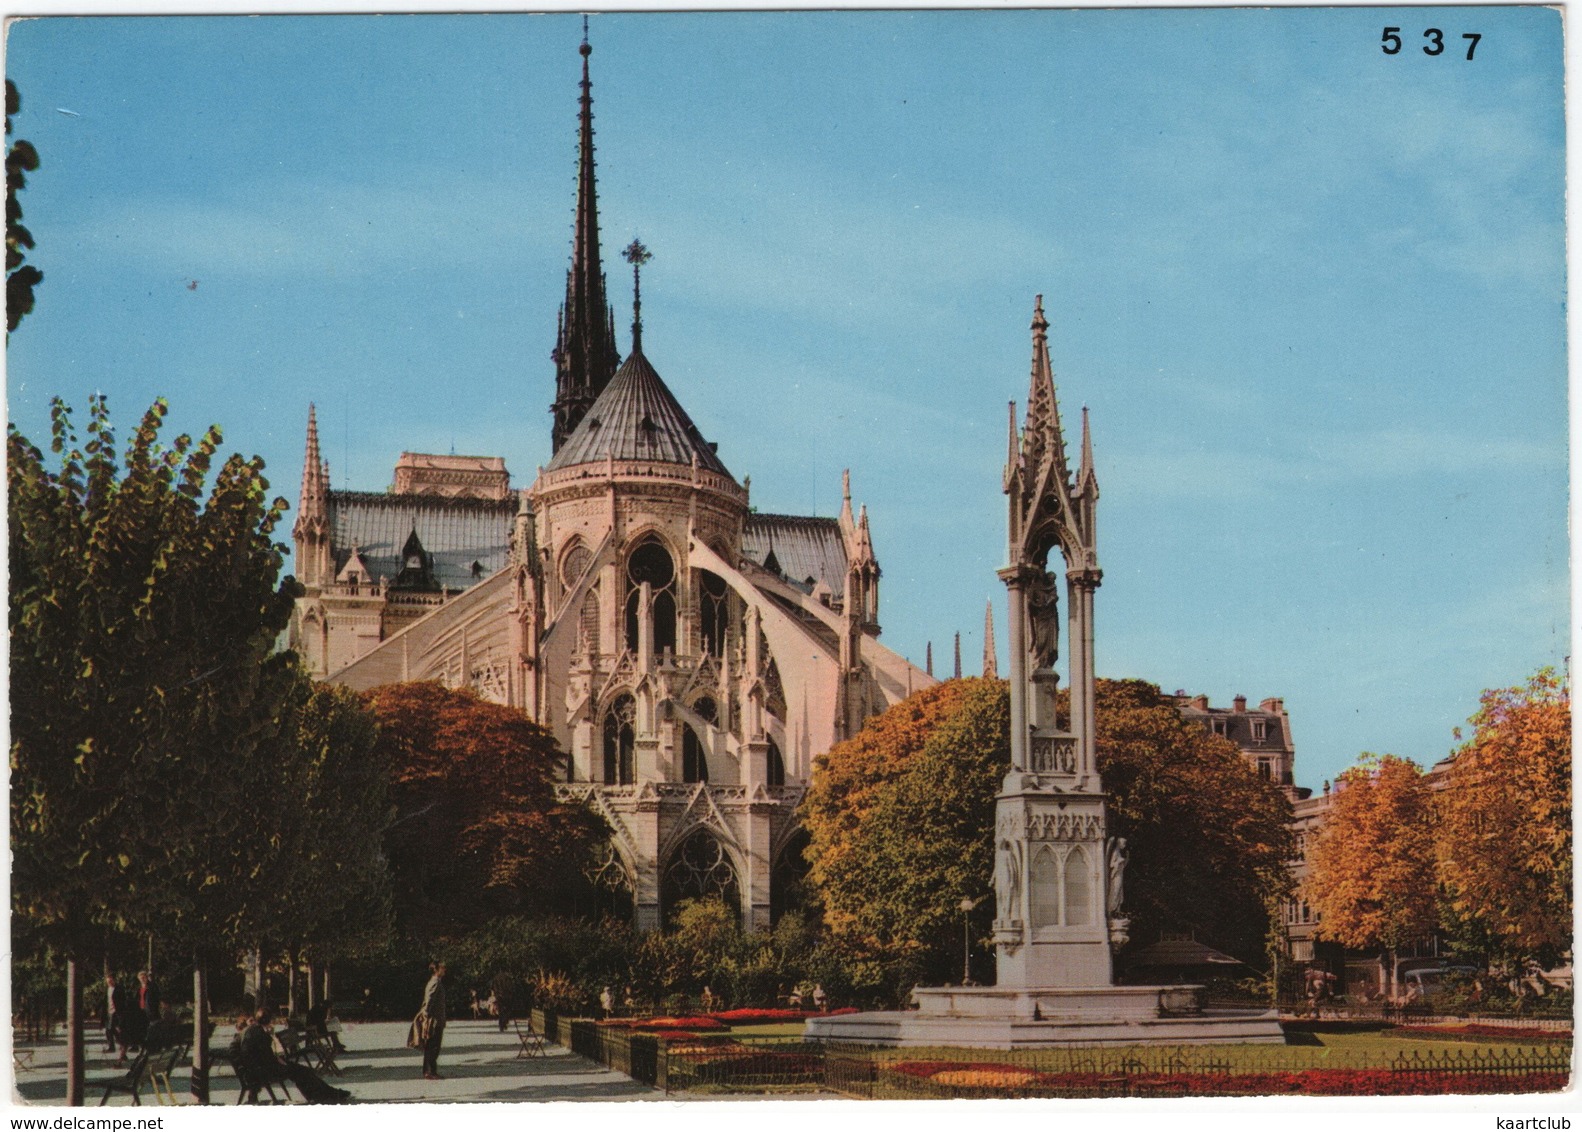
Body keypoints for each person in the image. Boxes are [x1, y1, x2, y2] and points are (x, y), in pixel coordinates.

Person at [238, 1009, 351, 1104]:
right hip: (265, 1070)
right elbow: (266, 1056)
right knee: (302, 1071)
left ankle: (323, 1094)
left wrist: (277, 1058)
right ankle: (325, 1095)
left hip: (257, 1070)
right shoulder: (261, 1034)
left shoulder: (253, 1030)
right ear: (268, 1020)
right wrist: (278, 1059)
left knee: (302, 1071)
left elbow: (262, 1054)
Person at [412, 961, 447, 1081]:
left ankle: (430, 1071)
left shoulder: (436, 982)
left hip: (435, 1018)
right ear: (436, 970)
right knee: (433, 1045)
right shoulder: (435, 983)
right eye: (442, 968)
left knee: (432, 1045)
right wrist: (426, 1016)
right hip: (434, 1020)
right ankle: (429, 1071)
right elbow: (429, 1000)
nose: (445, 970)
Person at [102, 973, 127, 1061]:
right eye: (108, 982)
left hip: (116, 1012)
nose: (110, 983)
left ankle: (120, 1048)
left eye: (111, 981)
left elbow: (123, 1000)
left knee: (113, 1030)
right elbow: (105, 1000)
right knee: (110, 1030)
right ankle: (116, 1046)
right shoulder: (108, 989)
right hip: (109, 1011)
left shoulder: (119, 989)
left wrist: (121, 1011)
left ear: (114, 980)